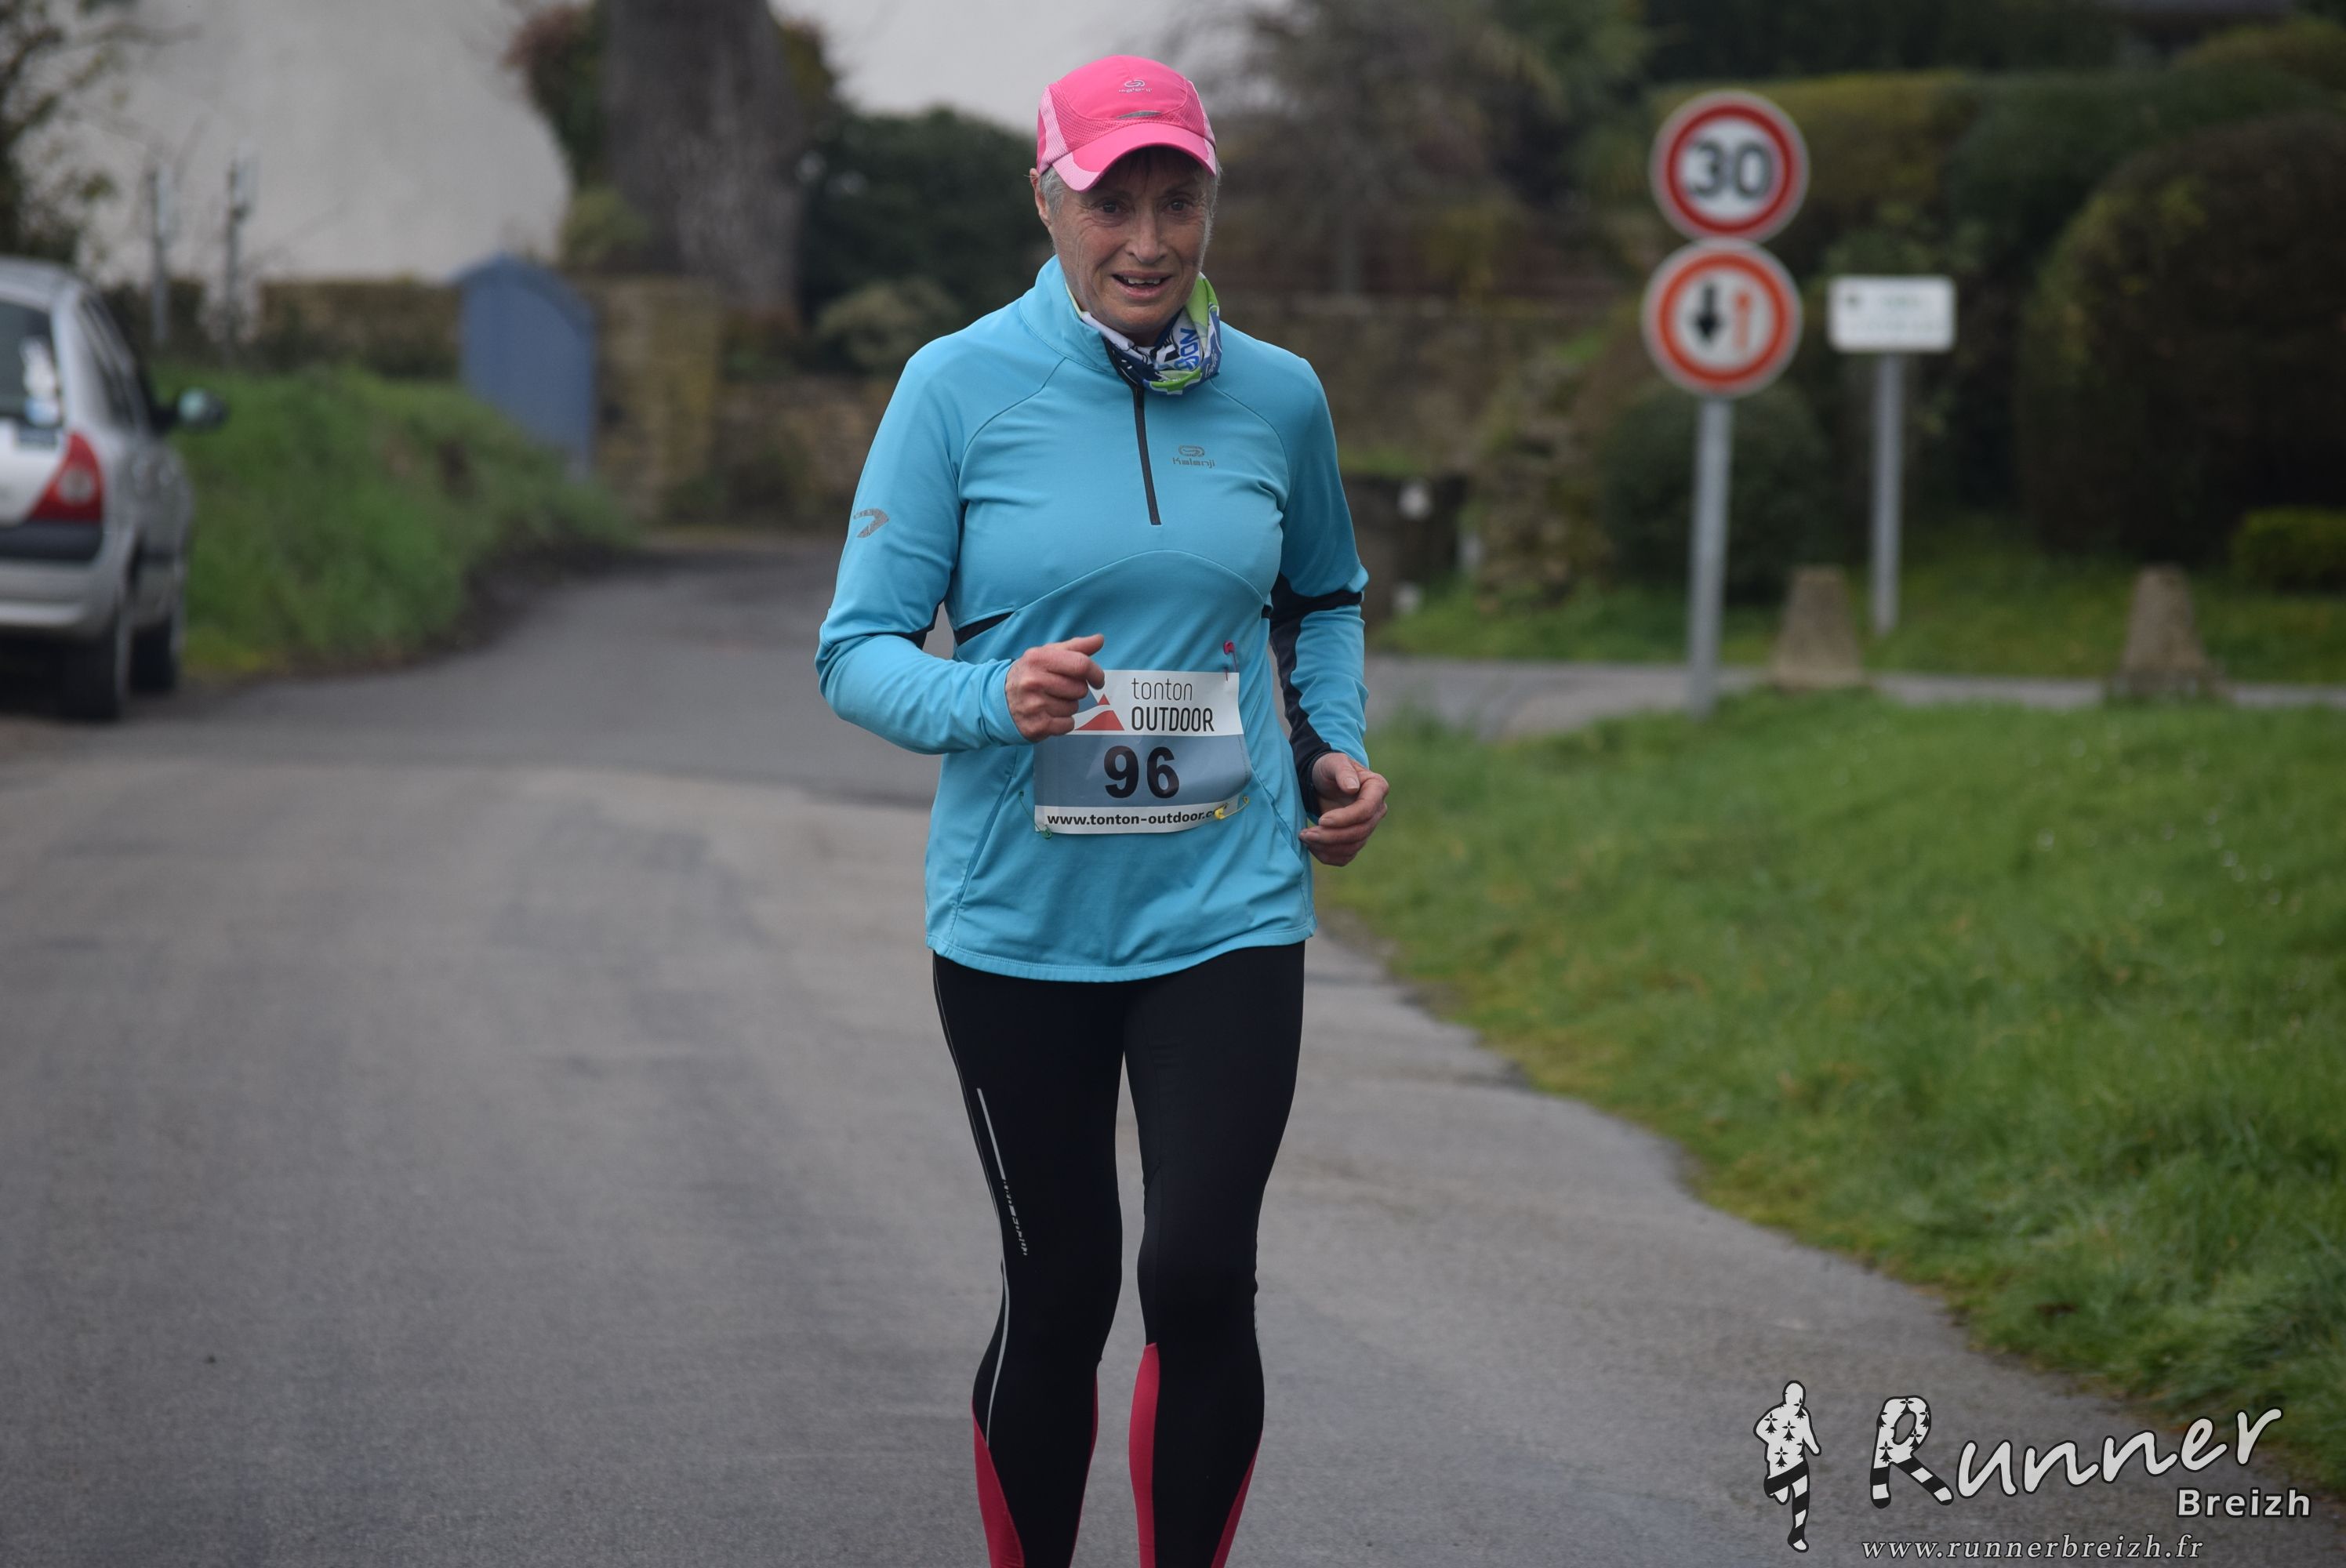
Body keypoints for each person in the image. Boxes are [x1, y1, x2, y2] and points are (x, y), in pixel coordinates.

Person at [815, 53, 1389, 1568]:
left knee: (1198, 1275)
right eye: (1109, 203)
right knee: (1063, 1288)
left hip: (1227, 910)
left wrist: (1332, 749)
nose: (1146, 240)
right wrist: (988, 699)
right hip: (1020, 923)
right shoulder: (956, 388)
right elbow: (856, 651)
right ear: (1047, 202)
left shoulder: (1279, 394)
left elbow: (1323, 597)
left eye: (1176, 201)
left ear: (1211, 203)